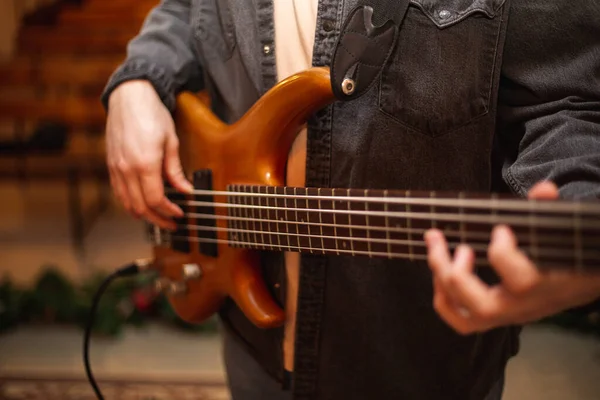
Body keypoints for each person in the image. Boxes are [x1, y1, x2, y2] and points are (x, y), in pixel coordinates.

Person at [101, 1, 600, 399]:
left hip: (414, 364)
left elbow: (567, 102)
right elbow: (188, 10)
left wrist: (577, 215)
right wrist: (140, 79)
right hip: (254, 350)